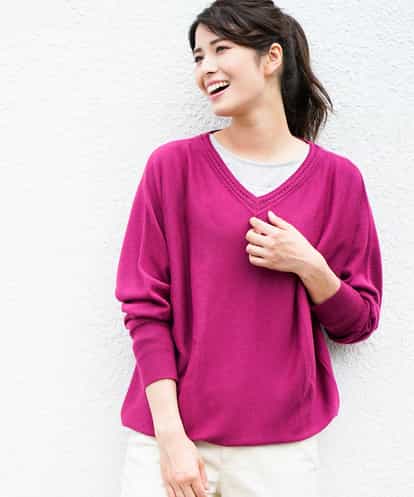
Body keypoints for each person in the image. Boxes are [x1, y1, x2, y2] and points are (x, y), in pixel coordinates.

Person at [114, 1, 383, 496]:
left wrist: (309, 265)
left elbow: (358, 322)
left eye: (221, 49)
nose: (206, 68)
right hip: (169, 441)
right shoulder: (172, 169)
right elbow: (145, 308)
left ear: (271, 57)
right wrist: (171, 439)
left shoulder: (337, 181)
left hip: (279, 452)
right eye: (198, 57)